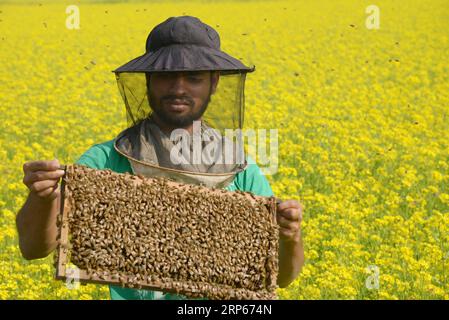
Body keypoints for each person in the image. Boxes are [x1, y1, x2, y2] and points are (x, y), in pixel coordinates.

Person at [16, 16, 304, 300]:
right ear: (148, 81)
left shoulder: (239, 169)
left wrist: (289, 237)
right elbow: (33, 248)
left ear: (214, 82)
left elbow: (281, 277)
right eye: (166, 76)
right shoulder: (105, 161)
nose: (178, 88)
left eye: (194, 77)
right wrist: (43, 198)